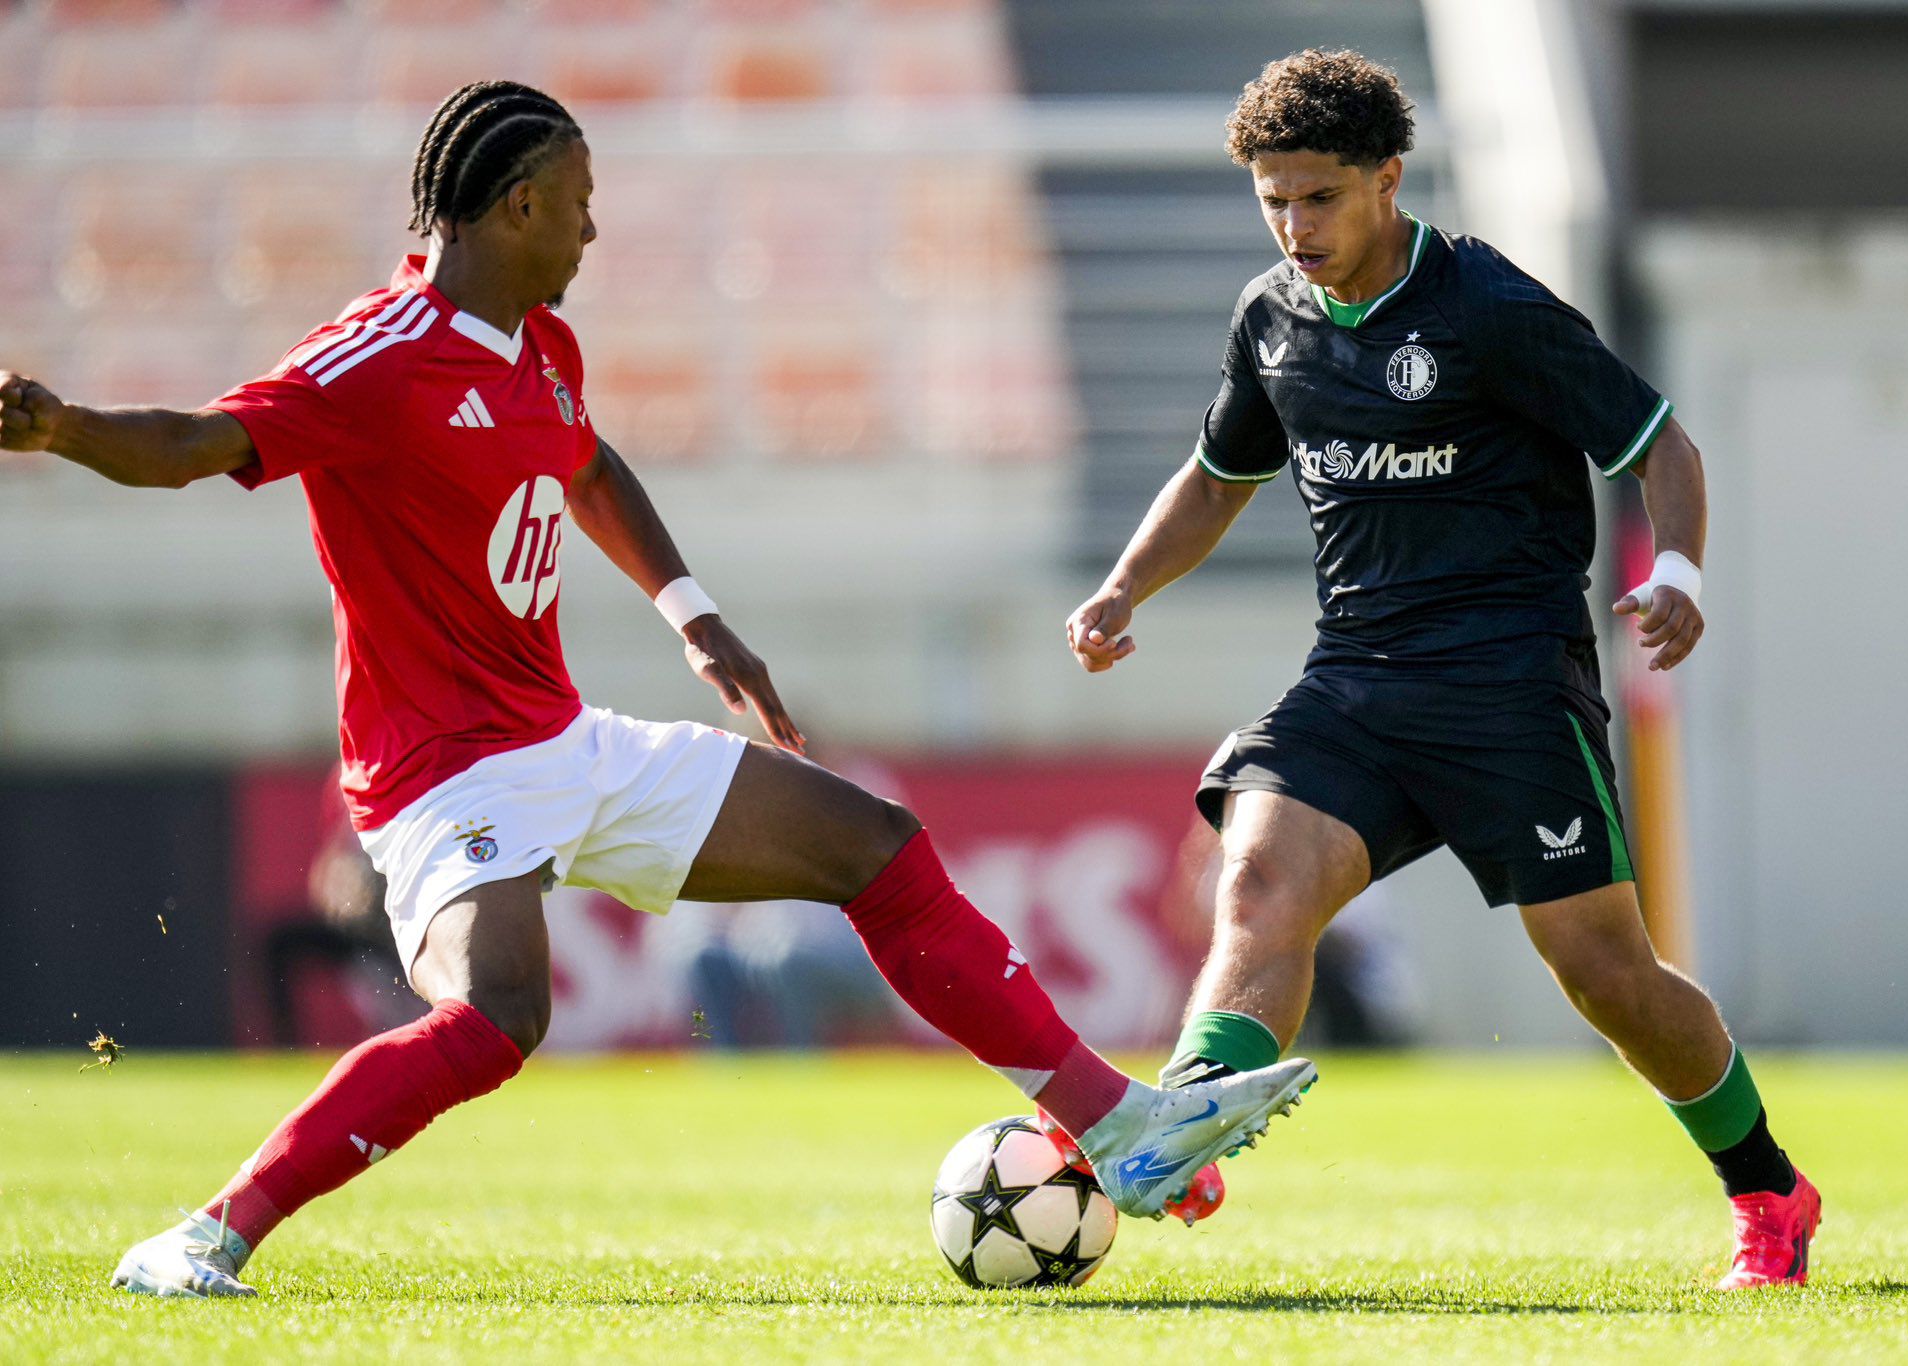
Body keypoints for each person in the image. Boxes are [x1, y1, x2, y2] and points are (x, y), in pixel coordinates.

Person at [0, 81, 1315, 1299]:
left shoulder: (541, 346)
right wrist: (62, 429)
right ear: (517, 204)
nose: (591, 224)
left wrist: (695, 616)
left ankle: (1116, 1124)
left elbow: (587, 465)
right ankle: (210, 1231)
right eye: (577, 199)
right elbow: (193, 445)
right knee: (500, 1013)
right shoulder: (378, 354)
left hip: (566, 739)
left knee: (877, 846)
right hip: (442, 770)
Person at [1061, 51, 1819, 1289]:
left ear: (1385, 179)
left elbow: (1653, 439)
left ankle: (1769, 1193)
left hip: (1510, 686)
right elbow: (1215, 477)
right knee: (1254, 874)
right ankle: (1186, 1116)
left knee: (1604, 975)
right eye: (1272, 200)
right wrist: (1123, 586)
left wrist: (1676, 573)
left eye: (1317, 197)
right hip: (1355, 679)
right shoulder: (1270, 319)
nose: (1293, 227)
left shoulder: (1486, 306)